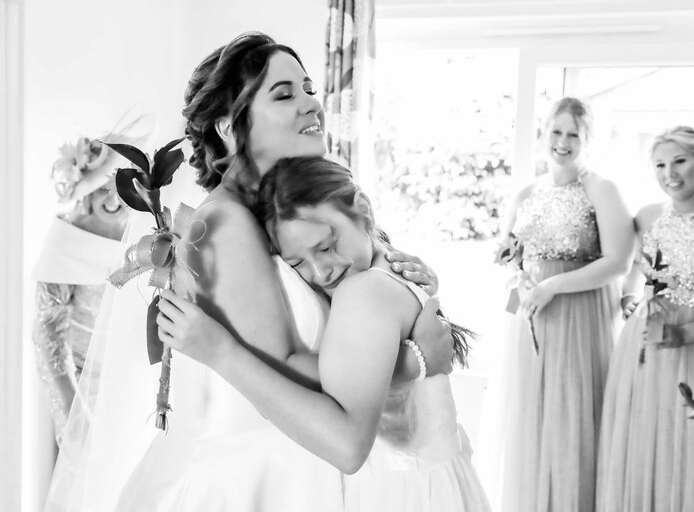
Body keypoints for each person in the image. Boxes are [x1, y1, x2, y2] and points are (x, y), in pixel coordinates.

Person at [44, 32, 454, 512]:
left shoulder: (288, 207)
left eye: (308, 90)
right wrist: (414, 360)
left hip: (307, 467)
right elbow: (284, 373)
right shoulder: (225, 224)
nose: (310, 105)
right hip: (264, 482)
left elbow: (353, 316)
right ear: (226, 127)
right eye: (284, 94)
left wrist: (406, 287)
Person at [157, 155, 491, 512]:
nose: (321, 271)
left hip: (397, 492)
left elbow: (347, 446)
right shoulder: (386, 267)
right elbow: (348, 374)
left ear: (362, 209)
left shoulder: (361, 292)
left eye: (327, 246)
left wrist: (221, 352)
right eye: (298, 263)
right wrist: (409, 364)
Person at [477, 97, 634, 511]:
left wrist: (554, 287)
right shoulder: (526, 191)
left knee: (572, 418)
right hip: (529, 313)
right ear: (543, 134)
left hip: (580, 316)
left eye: (573, 134)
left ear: (587, 140)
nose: (562, 142)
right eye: (556, 131)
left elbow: (619, 260)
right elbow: (510, 256)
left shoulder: (601, 188)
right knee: (529, 418)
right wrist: (523, 286)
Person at [597, 125, 694, 512]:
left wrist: (685, 334)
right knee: (645, 440)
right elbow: (635, 272)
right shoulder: (648, 216)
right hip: (645, 351)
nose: (670, 173)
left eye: (680, 161)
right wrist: (631, 300)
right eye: (660, 164)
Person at [33, 134, 131, 443]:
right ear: (87, 190)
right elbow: (49, 331)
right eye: (103, 188)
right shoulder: (66, 239)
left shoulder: (143, 228)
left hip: (130, 380)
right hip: (82, 386)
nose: (114, 199)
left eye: (121, 187)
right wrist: (74, 409)